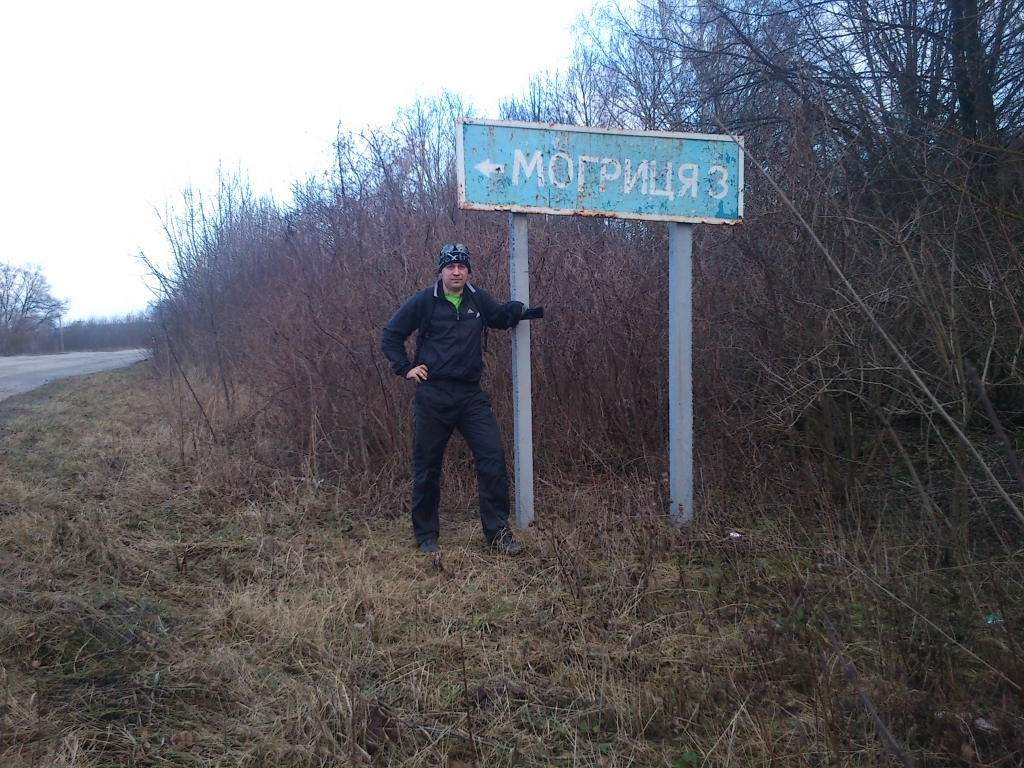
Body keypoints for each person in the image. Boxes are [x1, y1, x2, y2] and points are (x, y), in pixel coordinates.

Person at [381, 243, 528, 556]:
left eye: (462, 266)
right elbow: (391, 334)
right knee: (428, 465)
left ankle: (498, 536)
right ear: (441, 271)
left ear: (468, 270)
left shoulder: (477, 298)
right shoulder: (425, 300)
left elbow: (498, 317)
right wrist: (405, 368)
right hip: (433, 395)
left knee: (492, 457)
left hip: (471, 395)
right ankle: (426, 535)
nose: (456, 272)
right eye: (450, 267)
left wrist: (513, 312)